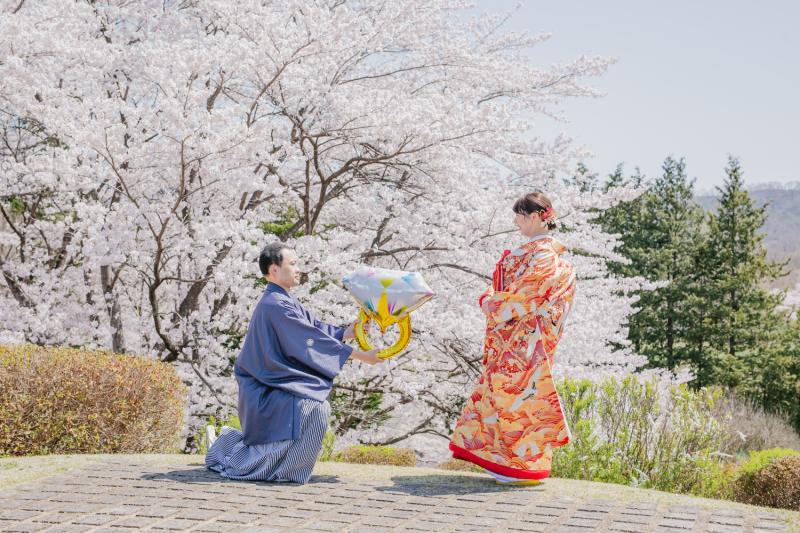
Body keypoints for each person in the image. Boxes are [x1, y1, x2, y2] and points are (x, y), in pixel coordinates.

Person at [205, 242, 382, 484]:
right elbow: (309, 340)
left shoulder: (283, 298)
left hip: (276, 382)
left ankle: (284, 468)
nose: (298, 269)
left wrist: (345, 333)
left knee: (315, 407)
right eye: (293, 264)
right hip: (264, 387)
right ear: (274, 269)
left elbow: (312, 329)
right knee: (315, 408)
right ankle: (270, 467)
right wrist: (363, 355)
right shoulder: (275, 303)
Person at [449, 192, 577, 485]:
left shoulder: (542, 255)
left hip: (522, 340)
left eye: (520, 216)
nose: (515, 221)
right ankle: (514, 466)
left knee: (517, 401)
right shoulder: (546, 255)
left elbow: (523, 296)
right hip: (526, 340)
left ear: (535, 217)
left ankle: (520, 468)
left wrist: (488, 302)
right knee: (518, 400)